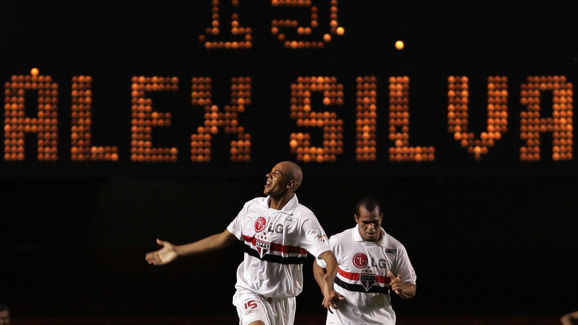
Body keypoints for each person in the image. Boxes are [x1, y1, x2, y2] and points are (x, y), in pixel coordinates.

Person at [145, 161, 340, 325]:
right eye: (270, 172)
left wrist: (328, 286)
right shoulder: (252, 207)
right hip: (250, 291)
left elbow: (328, 257)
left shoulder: (302, 218)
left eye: (276, 173)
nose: (268, 176)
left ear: (290, 184)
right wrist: (178, 250)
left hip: (284, 299)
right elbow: (222, 238)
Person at [313, 197, 417, 325]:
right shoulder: (339, 241)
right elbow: (318, 265)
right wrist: (326, 291)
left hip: (380, 321)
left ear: (381, 218)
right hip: (342, 321)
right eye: (365, 223)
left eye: (375, 222)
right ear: (356, 219)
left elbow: (411, 287)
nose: (371, 228)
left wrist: (403, 288)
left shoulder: (395, 248)